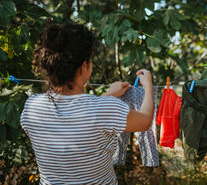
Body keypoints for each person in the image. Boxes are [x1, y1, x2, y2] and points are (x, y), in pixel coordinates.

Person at [20, 22, 154, 184]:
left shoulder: (31, 107)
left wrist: (109, 94)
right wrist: (148, 87)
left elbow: (77, 117)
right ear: (84, 66)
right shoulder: (105, 109)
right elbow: (145, 121)